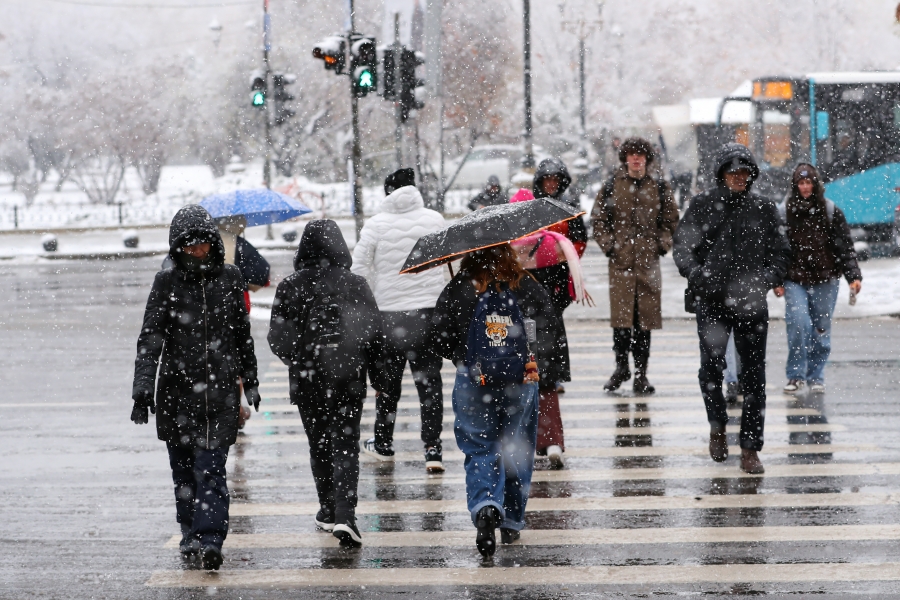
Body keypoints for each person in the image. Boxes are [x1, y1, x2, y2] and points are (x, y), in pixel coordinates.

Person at [131, 205, 260, 571]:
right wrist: (142, 388)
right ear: (177, 248)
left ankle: (211, 538)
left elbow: (241, 335)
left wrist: (249, 380)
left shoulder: (230, 278)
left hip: (219, 393)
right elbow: (150, 337)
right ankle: (189, 531)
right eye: (190, 247)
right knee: (184, 471)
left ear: (213, 244)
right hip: (176, 391)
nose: (198, 252)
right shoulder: (167, 282)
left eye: (203, 245)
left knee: (212, 468)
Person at [673, 143, 791, 474]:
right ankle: (717, 427)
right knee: (710, 371)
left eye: (744, 172)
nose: (739, 177)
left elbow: (782, 253)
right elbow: (682, 248)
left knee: (754, 376)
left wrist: (764, 280)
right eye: (733, 171)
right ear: (722, 174)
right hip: (712, 303)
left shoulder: (764, 209)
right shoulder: (702, 205)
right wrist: (698, 275)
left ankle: (751, 447)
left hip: (751, 305)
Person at [267, 220, 385, 548]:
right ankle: (346, 516)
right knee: (345, 443)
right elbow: (374, 334)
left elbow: (278, 337)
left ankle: (328, 509)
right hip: (348, 376)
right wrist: (379, 377)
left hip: (308, 380)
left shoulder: (290, 286)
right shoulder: (355, 284)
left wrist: (303, 357)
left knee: (318, 443)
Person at [431, 245, 554, 558]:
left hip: (474, 378)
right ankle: (511, 520)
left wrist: (465, 354)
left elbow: (439, 336)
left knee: (479, 446)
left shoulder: (461, 285)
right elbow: (548, 325)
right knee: (516, 445)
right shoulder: (524, 283)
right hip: (521, 378)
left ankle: (486, 506)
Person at [352, 168, 448, 472]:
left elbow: (358, 268)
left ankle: (383, 443)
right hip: (428, 314)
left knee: (387, 383)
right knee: (430, 383)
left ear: (387, 192)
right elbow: (447, 265)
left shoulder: (375, 225)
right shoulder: (434, 219)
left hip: (389, 317)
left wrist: (372, 298)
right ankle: (433, 449)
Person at [591, 137, 680, 395]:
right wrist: (610, 246)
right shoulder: (611, 186)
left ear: (647, 159)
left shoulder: (660, 186)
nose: (636, 159)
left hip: (647, 264)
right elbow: (598, 221)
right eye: (631, 154)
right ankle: (621, 367)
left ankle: (641, 374)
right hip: (620, 264)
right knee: (621, 322)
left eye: (640, 154)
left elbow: (671, 220)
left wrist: (661, 245)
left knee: (644, 323)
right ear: (625, 158)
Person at [774, 163, 862, 395]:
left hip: (826, 279)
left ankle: (815, 376)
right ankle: (795, 375)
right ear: (795, 185)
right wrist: (776, 280)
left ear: (816, 184)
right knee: (799, 324)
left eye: (809, 182)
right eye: (801, 183)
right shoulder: (784, 212)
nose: (805, 187)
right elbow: (776, 249)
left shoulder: (830, 211)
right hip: (795, 279)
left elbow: (844, 247)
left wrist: (853, 276)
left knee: (821, 330)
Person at [508, 187, 578, 468]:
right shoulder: (553, 243)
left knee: (518, 381)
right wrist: (551, 308)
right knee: (546, 382)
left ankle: (522, 440)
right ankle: (552, 441)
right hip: (547, 321)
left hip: (514, 323)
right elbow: (566, 288)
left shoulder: (506, 249)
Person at [531, 158, 586, 395]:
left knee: (553, 327)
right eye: (547, 179)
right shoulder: (531, 207)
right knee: (533, 328)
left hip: (559, 279)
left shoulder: (569, 208)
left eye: (555, 179)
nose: (551, 184)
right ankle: (535, 371)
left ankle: (554, 374)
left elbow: (580, 241)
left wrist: (561, 257)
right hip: (534, 277)